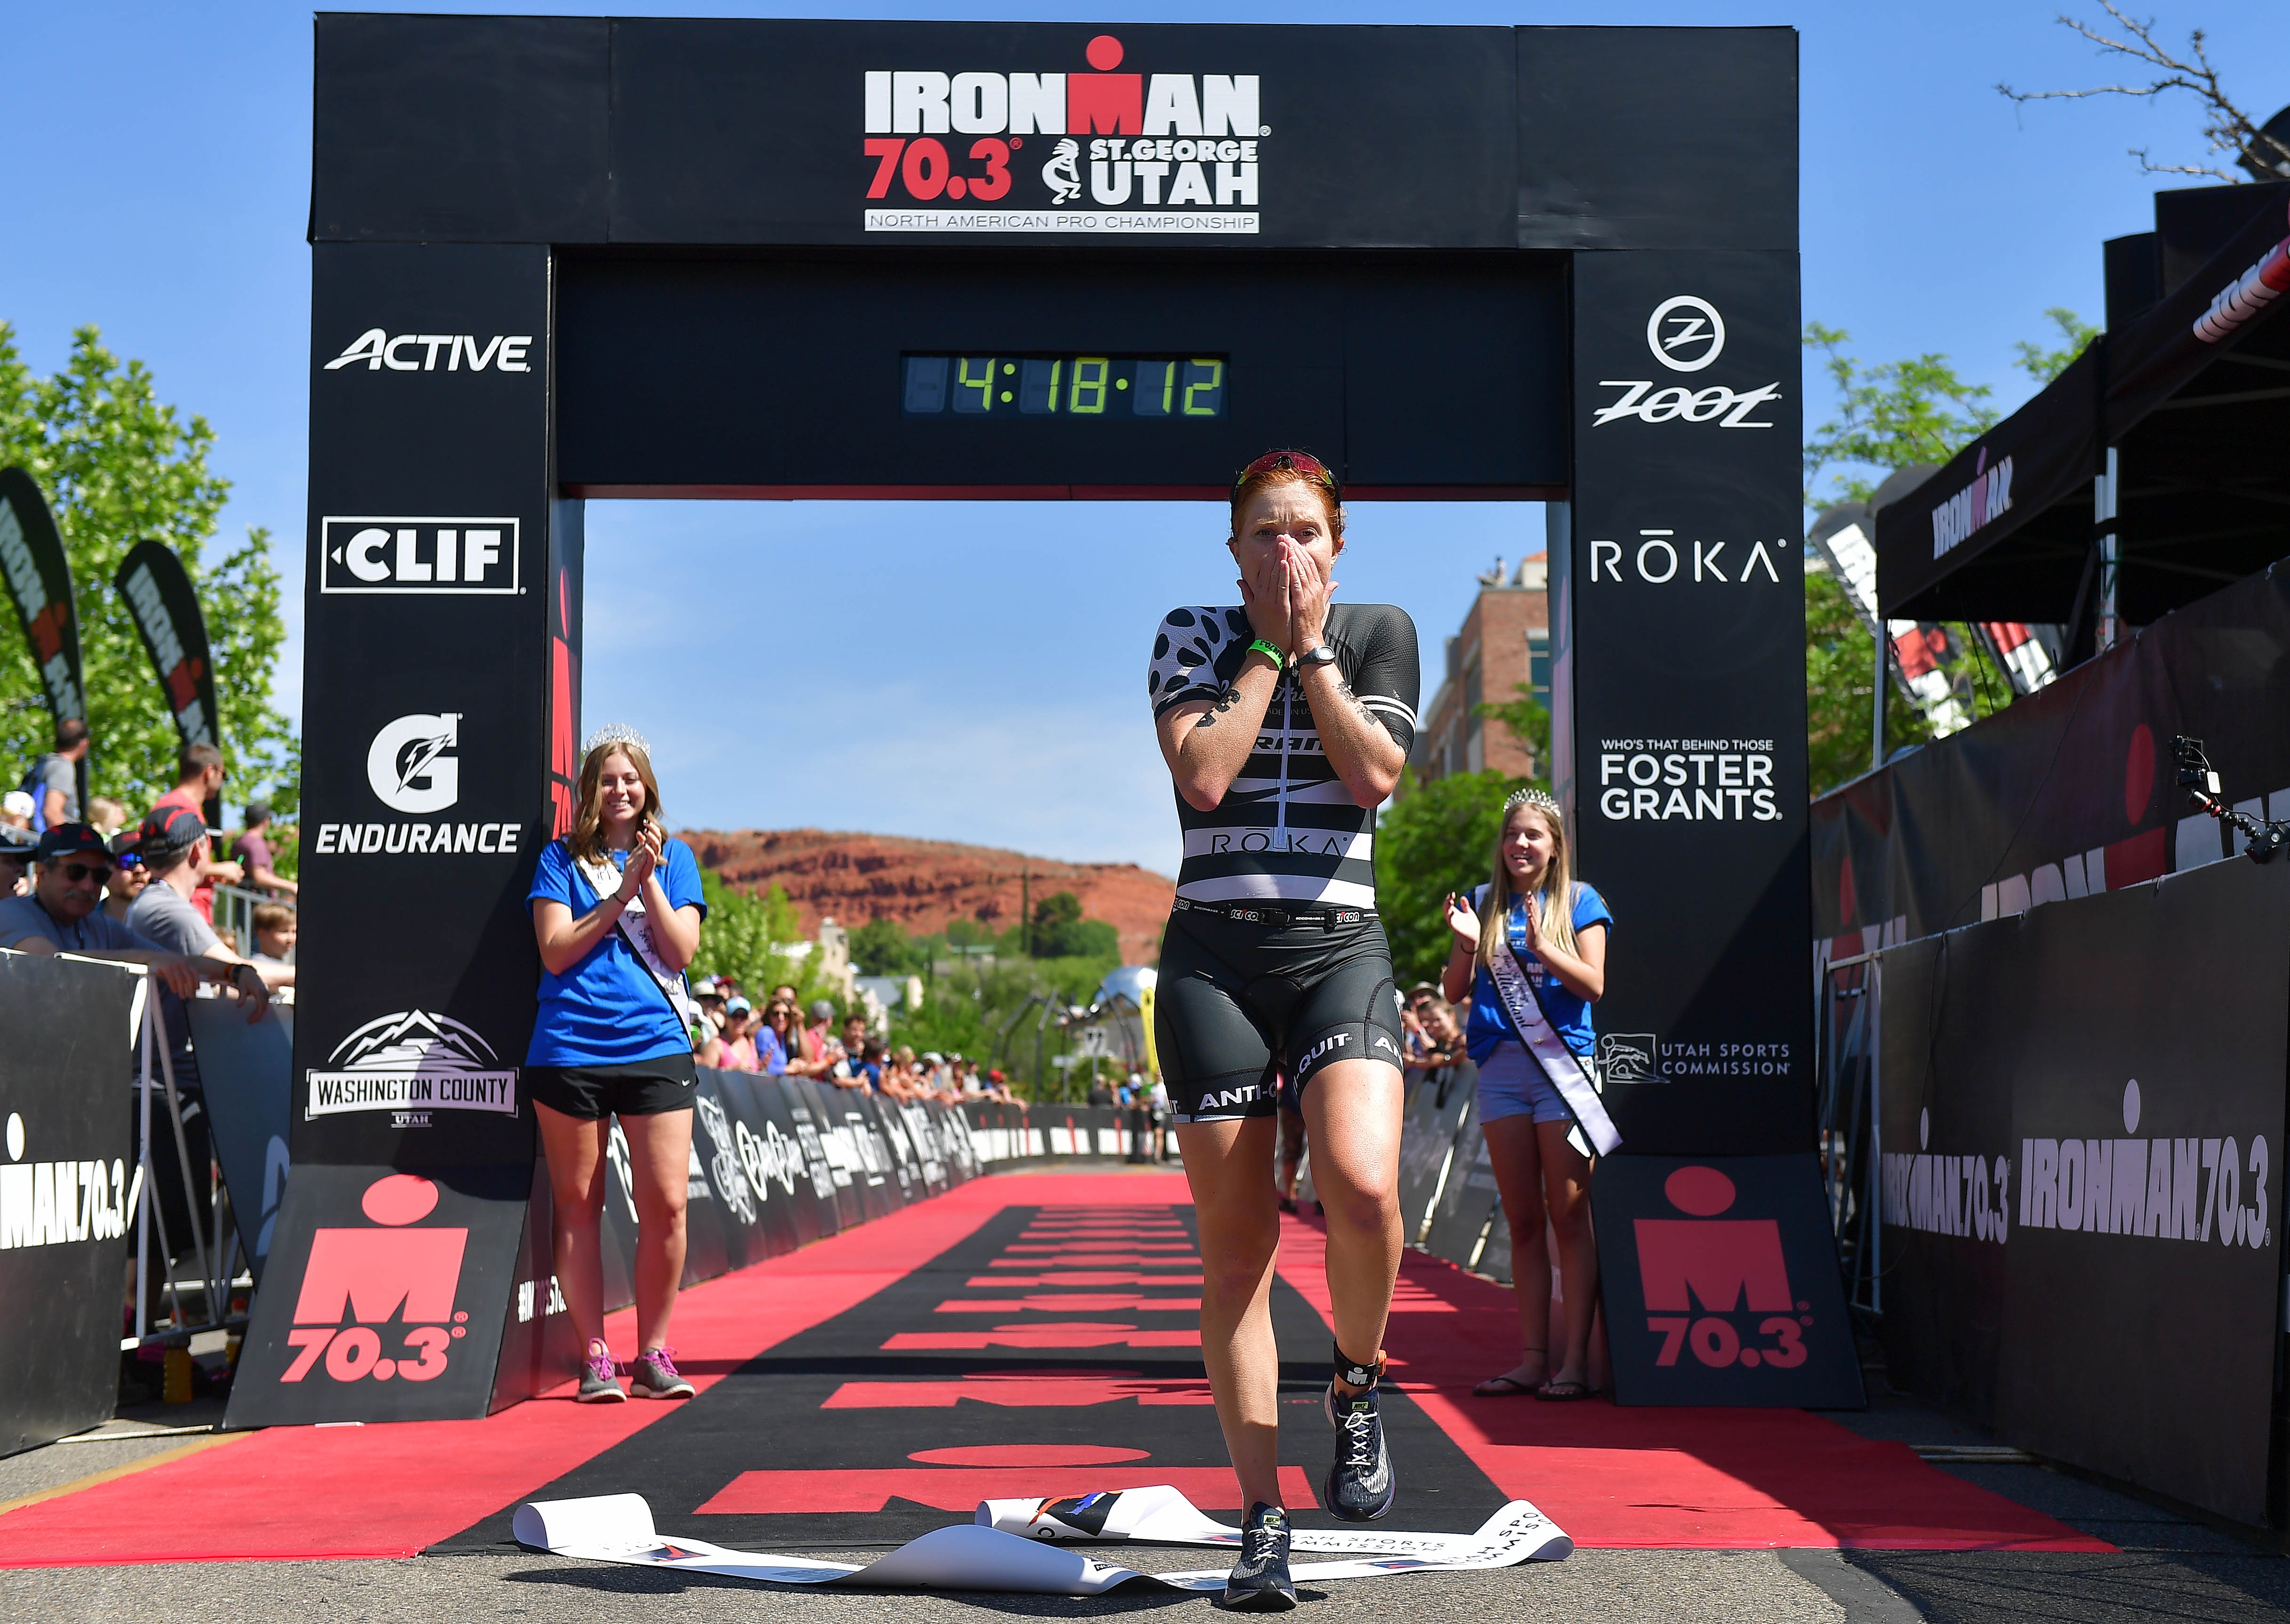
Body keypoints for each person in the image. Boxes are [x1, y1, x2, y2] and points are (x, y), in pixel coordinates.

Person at [1148, 448, 1420, 1603]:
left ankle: (1356, 1385)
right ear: (1232, 547)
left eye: (1303, 531)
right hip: (1212, 959)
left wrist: (1312, 649)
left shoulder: (1381, 630)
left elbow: (1376, 776)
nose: (1284, 552)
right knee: (1239, 1253)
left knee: (1361, 1188)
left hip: (1335, 950)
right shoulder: (1188, 632)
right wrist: (1263, 646)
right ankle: (1262, 1517)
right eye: (1262, 532)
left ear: (1337, 543)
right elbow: (1204, 779)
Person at [526, 725, 706, 1405]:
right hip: (570, 1045)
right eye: (608, 778)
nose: (621, 788)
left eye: (631, 778)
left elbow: (681, 949)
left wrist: (648, 881)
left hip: (656, 1042)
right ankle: (594, 1353)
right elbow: (555, 949)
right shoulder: (559, 859)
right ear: (590, 789)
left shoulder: (677, 856)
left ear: (648, 787)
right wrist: (618, 890)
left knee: (667, 1201)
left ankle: (653, 1349)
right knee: (580, 1203)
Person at [1441, 787, 1614, 1403]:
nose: (1520, 844)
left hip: (1562, 1069)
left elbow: (1593, 985)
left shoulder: (1579, 900)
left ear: (1554, 845)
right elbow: (1456, 988)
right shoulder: (1483, 901)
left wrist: (1543, 946)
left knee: (1569, 1212)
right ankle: (1531, 1359)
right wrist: (1466, 940)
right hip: (1502, 1070)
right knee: (1520, 1219)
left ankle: (1575, 1362)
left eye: (1532, 835)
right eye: (1512, 833)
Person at [150, 743, 243, 920]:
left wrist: (211, 874)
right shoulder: (179, 809)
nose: (223, 781)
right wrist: (221, 870)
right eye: (223, 775)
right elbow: (166, 866)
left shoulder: (179, 807)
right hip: (183, 915)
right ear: (210, 772)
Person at [20, 716, 89, 832]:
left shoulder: (44, 763)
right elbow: (51, 812)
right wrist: (67, 844)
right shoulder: (63, 767)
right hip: (52, 843)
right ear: (84, 744)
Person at [231, 803, 297, 898]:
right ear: (266, 821)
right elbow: (261, 877)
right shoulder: (256, 843)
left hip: (242, 903)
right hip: (258, 904)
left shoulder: (239, 843)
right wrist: (292, 886)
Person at [249, 901, 297, 965]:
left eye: (294, 932)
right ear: (262, 933)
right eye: (284, 931)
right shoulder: (257, 964)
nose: (291, 939)